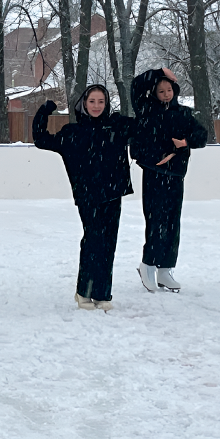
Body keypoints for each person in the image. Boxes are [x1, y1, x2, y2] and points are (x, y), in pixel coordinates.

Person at [33, 85, 135, 311]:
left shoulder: (117, 126)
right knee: (93, 240)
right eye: (92, 101)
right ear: (84, 104)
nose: (97, 106)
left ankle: (102, 293)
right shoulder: (72, 133)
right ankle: (84, 292)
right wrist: (46, 110)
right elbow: (40, 138)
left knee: (108, 244)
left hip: (113, 194)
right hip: (88, 196)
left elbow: (147, 125)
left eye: (101, 101)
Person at [130, 67, 208, 293]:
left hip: (175, 175)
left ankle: (166, 269)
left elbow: (201, 136)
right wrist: (159, 71)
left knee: (173, 223)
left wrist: (186, 143)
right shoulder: (145, 109)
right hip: (154, 173)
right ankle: (148, 264)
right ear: (154, 92)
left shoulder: (184, 113)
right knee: (156, 220)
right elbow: (136, 85)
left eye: (169, 90)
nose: (166, 94)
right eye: (161, 90)